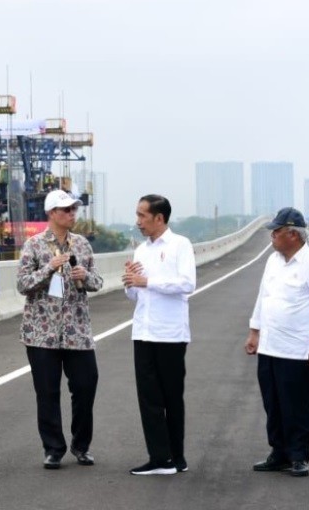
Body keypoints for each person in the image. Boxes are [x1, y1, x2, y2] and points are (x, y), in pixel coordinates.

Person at [17, 189, 104, 469]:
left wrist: (85, 276)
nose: (72, 214)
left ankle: (82, 445)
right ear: (52, 213)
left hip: (77, 330)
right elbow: (22, 285)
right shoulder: (33, 245)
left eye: (74, 210)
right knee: (47, 392)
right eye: (66, 210)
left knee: (85, 386)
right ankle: (53, 448)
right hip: (42, 333)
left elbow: (98, 282)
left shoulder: (82, 245)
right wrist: (49, 269)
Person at [244, 207, 309, 478]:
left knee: (296, 405)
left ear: (293, 234)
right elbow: (264, 296)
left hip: (296, 350)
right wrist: (254, 330)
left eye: (277, 231)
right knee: (273, 404)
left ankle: (298, 456)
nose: (272, 236)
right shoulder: (273, 261)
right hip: (269, 346)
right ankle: (278, 453)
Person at [123, 194, 196, 475]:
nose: (138, 221)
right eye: (138, 215)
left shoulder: (180, 245)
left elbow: (187, 283)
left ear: (159, 218)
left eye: (142, 215)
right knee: (149, 399)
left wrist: (147, 281)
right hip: (143, 331)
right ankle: (160, 457)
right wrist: (130, 282)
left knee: (172, 398)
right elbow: (135, 295)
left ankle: (177, 458)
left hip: (170, 333)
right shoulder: (141, 250)